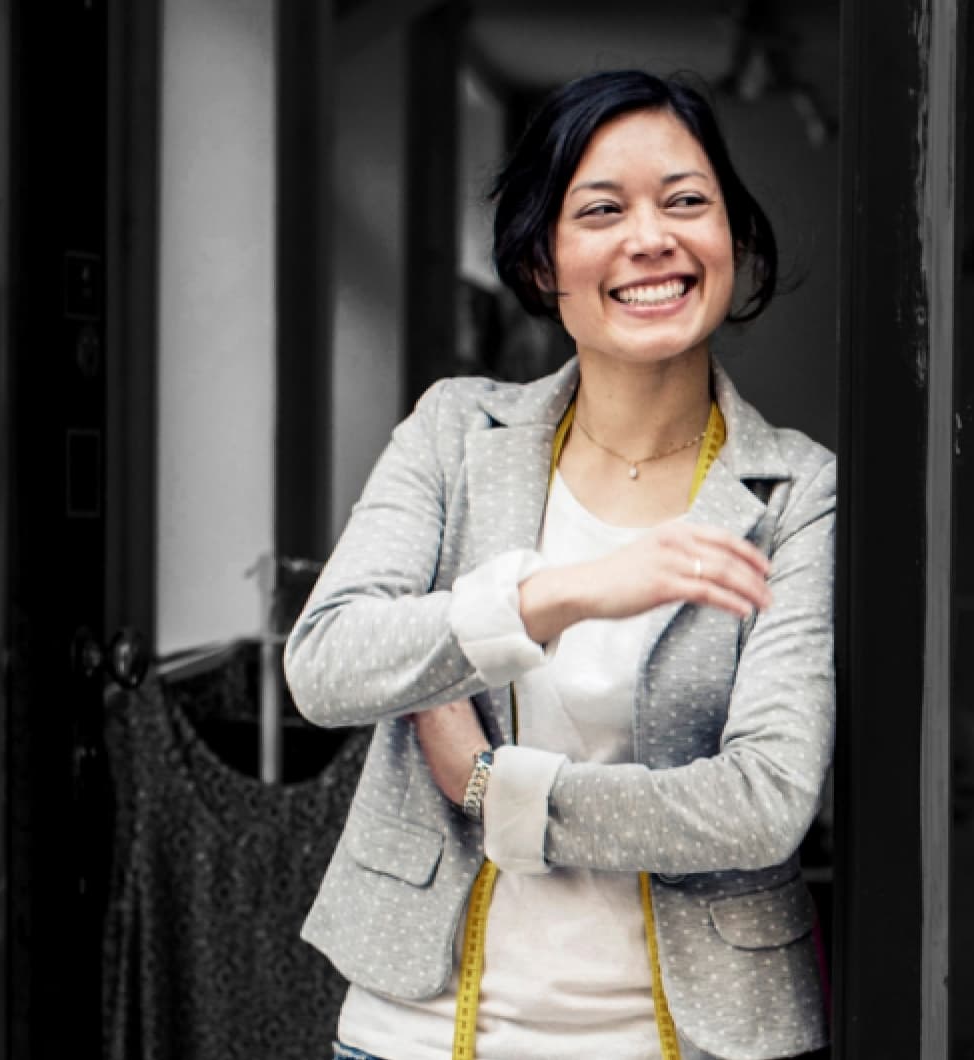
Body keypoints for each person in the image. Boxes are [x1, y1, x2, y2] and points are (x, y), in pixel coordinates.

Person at [281, 69, 838, 1060]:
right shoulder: (458, 430)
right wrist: (557, 596)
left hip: (689, 1038)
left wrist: (501, 789)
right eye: (602, 210)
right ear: (543, 264)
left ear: (734, 241)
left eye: (686, 201)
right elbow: (327, 662)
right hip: (416, 1033)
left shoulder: (797, 490)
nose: (651, 238)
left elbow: (765, 801)